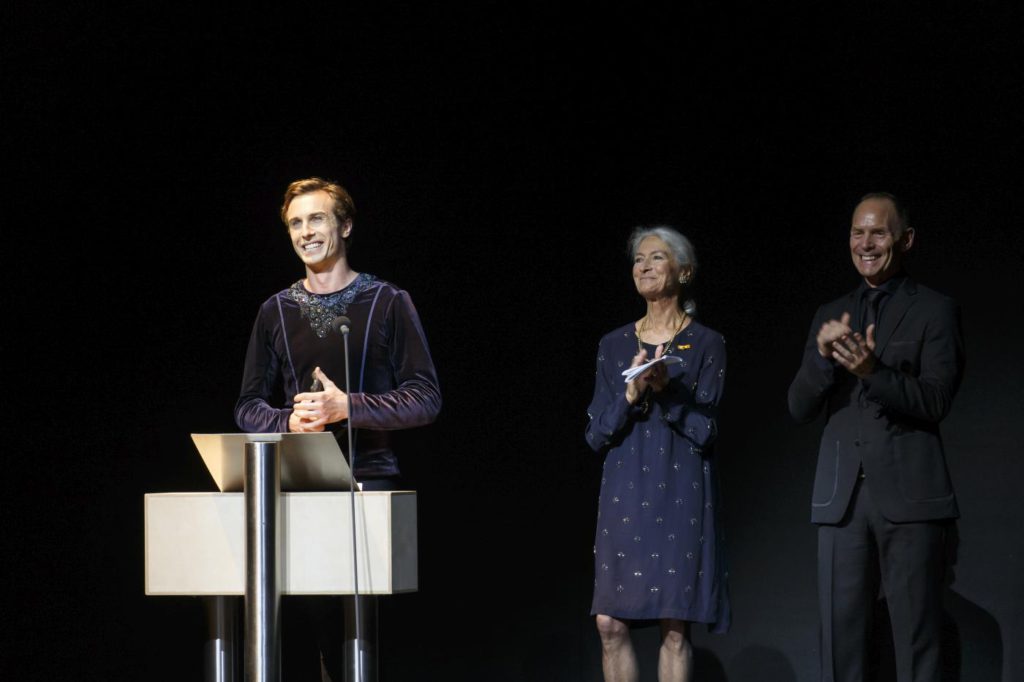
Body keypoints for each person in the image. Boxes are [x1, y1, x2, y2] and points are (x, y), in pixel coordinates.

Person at [234, 177, 441, 680]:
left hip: (370, 483)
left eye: (317, 218)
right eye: (295, 223)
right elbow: (247, 406)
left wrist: (347, 406)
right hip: (298, 487)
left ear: (345, 225)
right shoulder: (274, 311)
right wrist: (291, 420)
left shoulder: (388, 301)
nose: (306, 232)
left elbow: (426, 398)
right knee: (311, 631)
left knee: (361, 636)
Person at [788, 192, 963, 682]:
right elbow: (798, 407)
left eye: (878, 233)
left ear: (905, 240)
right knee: (841, 644)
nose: (865, 243)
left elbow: (936, 400)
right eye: (857, 232)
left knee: (916, 643)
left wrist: (872, 371)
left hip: (911, 497)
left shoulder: (935, 310)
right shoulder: (832, 312)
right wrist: (824, 361)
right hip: (841, 500)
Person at [586, 226, 730, 682]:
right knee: (609, 623)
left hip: (679, 491)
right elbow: (594, 434)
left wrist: (667, 394)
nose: (644, 267)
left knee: (674, 626)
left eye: (657, 258)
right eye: (638, 260)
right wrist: (629, 396)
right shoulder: (613, 346)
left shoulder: (706, 343)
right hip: (624, 493)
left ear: (683, 271)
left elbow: (707, 431)